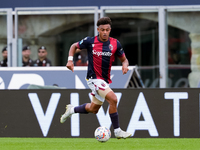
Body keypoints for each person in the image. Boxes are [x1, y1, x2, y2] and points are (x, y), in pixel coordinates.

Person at [60, 17, 132, 139]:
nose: (104, 32)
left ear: (110, 30)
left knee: (94, 109)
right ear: (98, 29)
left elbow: (124, 59)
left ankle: (72, 110)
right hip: (93, 79)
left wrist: (125, 65)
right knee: (113, 99)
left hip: (104, 80)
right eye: (102, 29)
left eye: (107, 30)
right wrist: (70, 61)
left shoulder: (115, 43)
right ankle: (118, 131)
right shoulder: (90, 41)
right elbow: (73, 46)